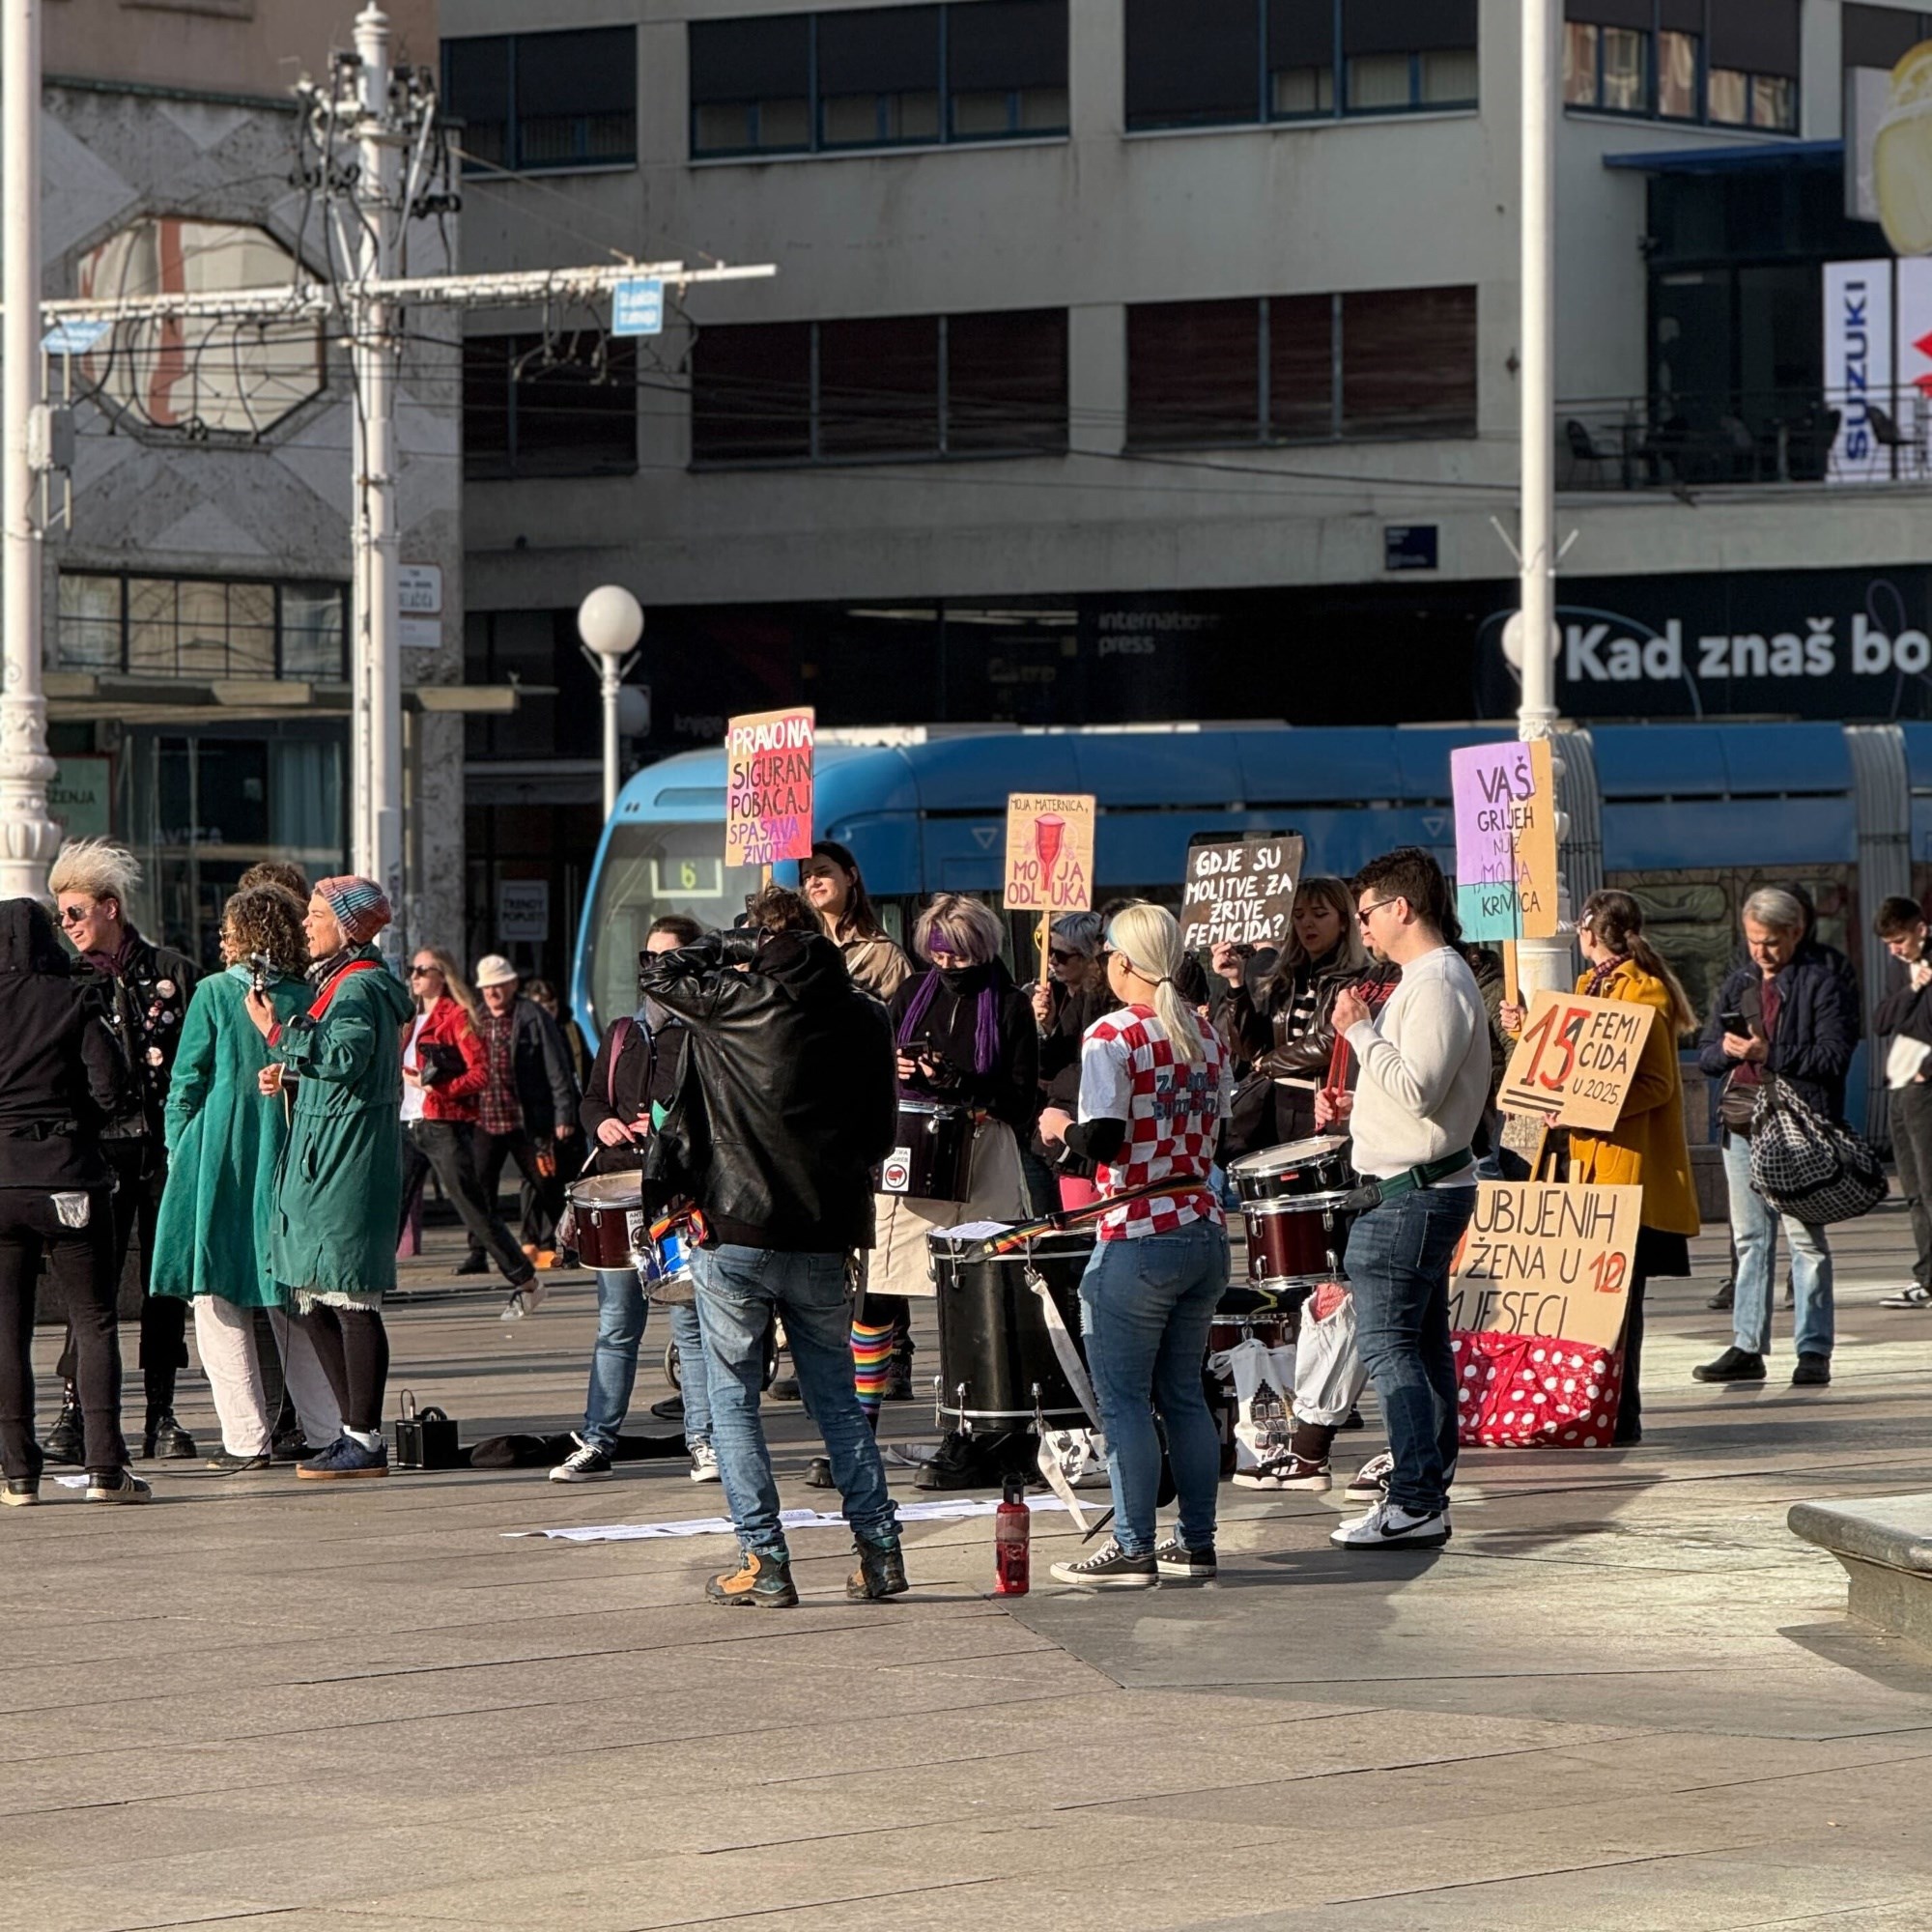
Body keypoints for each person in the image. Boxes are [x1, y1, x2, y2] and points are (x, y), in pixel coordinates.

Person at [639, 886, 903, 1607]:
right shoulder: (867, 1017)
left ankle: (764, 1557)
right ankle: (879, 1550)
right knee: (838, 1399)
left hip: (740, 1224)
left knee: (733, 1398)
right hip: (825, 1228)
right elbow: (882, 1133)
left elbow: (656, 974)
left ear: (763, 953)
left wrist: (731, 942)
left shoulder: (737, 1005)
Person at [1035, 903, 1232, 1586]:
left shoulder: (1112, 1034)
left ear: (1121, 962)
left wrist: (1059, 1127)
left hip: (1139, 1230)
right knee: (1183, 1393)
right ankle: (1196, 1541)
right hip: (1203, 1226)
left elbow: (1107, 1140)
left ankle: (1133, 1545)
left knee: (1122, 1400)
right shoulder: (1206, 1034)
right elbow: (1217, 1132)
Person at [1319, 847, 1490, 1549]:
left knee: (1392, 1350)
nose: (1362, 929)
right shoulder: (1429, 980)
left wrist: (1358, 1030)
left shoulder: (1438, 980)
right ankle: (1424, 1491)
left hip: (1414, 1195)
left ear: (1401, 908)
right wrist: (1361, 1100)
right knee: (1417, 1348)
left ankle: (1416, 1497)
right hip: (1413, 1188)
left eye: (1365, 914)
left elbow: (1419, 1086)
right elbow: (1420, 1092)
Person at [151, 887, 340, 1471]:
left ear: (246, 935)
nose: (222, 939)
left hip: (220, 1155)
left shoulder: (213, 992)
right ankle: (325, 1427)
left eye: (229, 929)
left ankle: (245, 1437)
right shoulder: (308, 994)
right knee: (293, 1297)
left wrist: (178, 1146)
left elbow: (187, 1080)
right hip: (286, 1149)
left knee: (216, 1294)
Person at [1504, 890, 1701, 1442]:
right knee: (1587, 1302)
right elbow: (1577, 1061)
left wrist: (1589, 1109)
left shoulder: (1646, 991)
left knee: (1619, 1304)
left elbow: (1657, 1085)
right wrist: (1527, 1031)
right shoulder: (1593, 986)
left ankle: (1622, 1415)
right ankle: (1590, 1408)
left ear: (1589, 934)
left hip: (1622, 1170)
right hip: (1580, 1166)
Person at [248, 877, 415, 1478]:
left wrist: (276, 1031)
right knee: (313, 1292)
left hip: (345, 1158)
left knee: (348, 1295)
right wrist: (291, 1075)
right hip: (327, 1152)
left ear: (348, 927)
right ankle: (354, 1432)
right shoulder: (340, 983)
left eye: (317, 915)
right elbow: (342, 1063)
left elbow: (346, 1057)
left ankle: (365, 1437)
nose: (305, 925)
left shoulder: (361, 985)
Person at [871, 895, 1039, 1491]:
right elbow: (875, 1067)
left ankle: (974, 1430)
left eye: (959, 948)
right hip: (913, 1151)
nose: (947, 959)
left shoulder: (1012, 1005)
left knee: (976, 1297)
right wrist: (898, 1069)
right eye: (937, 947)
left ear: (983, 944)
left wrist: (959, 1081)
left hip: (983, 1150)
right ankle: (859, 1433)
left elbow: (1023, 1100)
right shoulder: (910, 993)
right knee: (879, 1286)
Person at [550, 914, 721, 1486]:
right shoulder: (624, 1032)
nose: (652, 970)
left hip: (675, 1197)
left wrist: (665, 1125)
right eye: (646, 959)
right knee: (617, 1323)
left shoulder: (705, 1033)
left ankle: (703, 1440)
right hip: (619, 1190)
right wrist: (602, 1125)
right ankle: (598, 1438)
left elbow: (717, 1111)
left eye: (664, 959)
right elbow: (593, 1099)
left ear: (690, 965)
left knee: (688, 1324)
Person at [45, 838, 202, 1463]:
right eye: (61, 916)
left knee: (165, 1284)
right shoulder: (63, 985)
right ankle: (73, 1412)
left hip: (164, 1152)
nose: (68, 926)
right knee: (92, 1288)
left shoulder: (174, 974)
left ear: (111, 907)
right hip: (97, 1157)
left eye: (77, 912)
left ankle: (161, 1411)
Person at [0, 897, 146, 1504]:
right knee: (92, 1318)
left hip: (0, 1180)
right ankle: (106, 1467)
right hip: (67, 1174)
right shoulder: (75, 997)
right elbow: (113, 1089)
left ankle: (16, 1472)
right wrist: (77, 1120)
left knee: (7, 1327)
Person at [1694, 887, 1858, 1387]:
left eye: (1769, 942)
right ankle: (1747, 1344)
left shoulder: (1822, 982)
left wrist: (1771, 1051)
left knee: (1805, 1240)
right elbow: (1705, 1056)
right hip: (1742, 1120)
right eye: (1752, 940)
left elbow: (1833, 1057)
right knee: (1749, 1239)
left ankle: (1813, 1349)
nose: (1760, 952)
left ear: (1795, 932)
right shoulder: (1739, 980)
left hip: (1797, 1124)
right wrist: (1726, 1049)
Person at [396, 949, 539, 1316]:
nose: (414, 976)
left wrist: (438, 1089)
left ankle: (525, 1279)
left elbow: (481, 1073)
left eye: (422, 970)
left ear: (442, 976)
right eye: (412, 969)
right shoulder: (411, 1019)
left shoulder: (456, 1016)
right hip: (409, 1123)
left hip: (442, 1124)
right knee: (391, 1205)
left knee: (473, 1208)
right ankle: (372, 1287)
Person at [1216, 876, 1399, 1158]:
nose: (1307, 923)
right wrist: (1236, 985)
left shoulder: (1363, 977)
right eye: (1299, 916)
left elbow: (1332, 1041)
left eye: (1319, 914)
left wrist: (1268, 1063)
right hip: (1275, 1109)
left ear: (1343, 921)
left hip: (1326, 1110)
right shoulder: (1283, 977)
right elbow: (1248, 1049)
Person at [464, 954, 579, 1276]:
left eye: (498, 986)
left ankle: (566, 1245)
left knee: (547, 1184)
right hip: (485, 1119)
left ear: (512, 984)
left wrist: (563, 1113)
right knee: (480, 1188)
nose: (492, 992)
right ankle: (477, 1252)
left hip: (527, 1119)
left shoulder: (532, 1015)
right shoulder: (476, 1017)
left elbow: (557, 1067)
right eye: (487, 988)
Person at [1031, 911, 1115, 1211]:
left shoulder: (1099, 1000)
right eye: (1048, 952)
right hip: (1058, 1130)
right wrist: (1044, 1026)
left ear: (1089, 956)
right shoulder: (1050, 994)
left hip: (1078, 1131)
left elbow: (1070, 1064)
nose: (1052, 961)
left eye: (1062, 955)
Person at [1875, 895, 1932, 1310]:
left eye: (1899, 940)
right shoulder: (1902, 973)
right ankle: (1927, 1276)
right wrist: (1912, 987)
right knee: (1912, 1189)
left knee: (1930, 1186)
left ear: (1921, 929)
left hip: (1925, 1085)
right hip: (1901, 1085)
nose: (1894, 950)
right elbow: (1882, 1022)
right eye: (1888, 943)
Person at [800, 839, 914, 1001]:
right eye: (806, 877)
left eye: (823, 872)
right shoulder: (802, 948)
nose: (813, 882)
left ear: (850, 876)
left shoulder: (884, 955)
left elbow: (905, 1018)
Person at [527, 978, 591, 1091]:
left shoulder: (571, 1029)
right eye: (541, 1010)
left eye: (552, 1008)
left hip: (569, 1097)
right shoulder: (524, 1034)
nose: (548, 1015)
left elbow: (587, 1068)